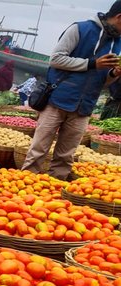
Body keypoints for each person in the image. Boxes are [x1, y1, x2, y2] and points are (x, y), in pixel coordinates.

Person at [22, 2, 121, 180]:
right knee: (38, 150)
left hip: (84, 106)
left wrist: (113, 73)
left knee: (65, 156)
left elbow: (102, 81)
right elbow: (56, 59)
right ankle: (25, 185)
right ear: (119, 17)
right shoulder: (80, 29)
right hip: (57, 99)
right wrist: (91, 64)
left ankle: (56, 189)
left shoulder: (117, 43)